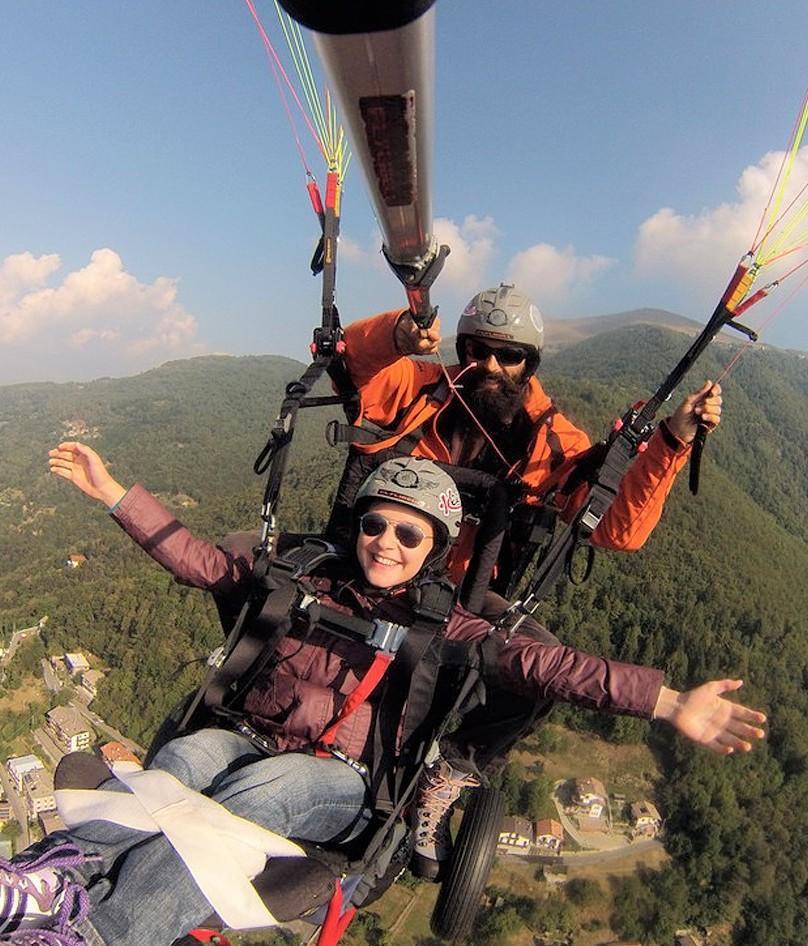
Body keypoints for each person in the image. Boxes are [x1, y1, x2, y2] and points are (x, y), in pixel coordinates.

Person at [0, 446, 763, 946]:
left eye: (410, 535)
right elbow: (203, 564)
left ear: (437, 549)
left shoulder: (451, 627)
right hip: (244, 736)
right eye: (376, 525)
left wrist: (665, 702)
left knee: (268, 785)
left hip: (339, 782)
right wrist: (113, 492)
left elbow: (549, 670)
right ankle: (55, 875)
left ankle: (105, 931)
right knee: (191, 755)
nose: (386, 544)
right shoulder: (306, 581)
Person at [338, 283, 724, 875]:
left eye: (508, 355)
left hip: (460, 595)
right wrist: (399, 331)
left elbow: (617, 527)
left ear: (529, 364)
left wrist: (670, 441)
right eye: (477, 350)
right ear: (460, 349)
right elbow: (349, 363)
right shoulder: (417, 389)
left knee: (537, 667)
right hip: (374, 565)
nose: (490, 366)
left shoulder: (550, 441)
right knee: (246, 563)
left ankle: (451, 772)